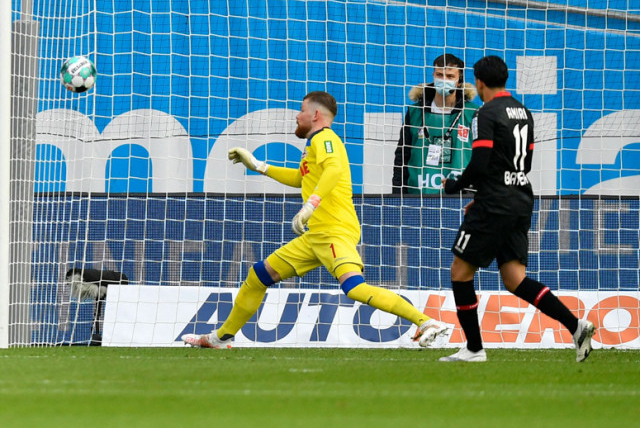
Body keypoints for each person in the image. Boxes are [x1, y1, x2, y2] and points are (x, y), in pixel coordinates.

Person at [182, 91, 451, 349]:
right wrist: (259, 166)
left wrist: (311, 205)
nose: (297, 116)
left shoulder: (325, 138)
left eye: (301, 110)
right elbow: (301, 179)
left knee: (355, 288)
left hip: (334, 231)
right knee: (259, 276)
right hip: (316, 236)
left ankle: (426, 322)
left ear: (316, 115)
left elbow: (333, 169)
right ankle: (221, 338)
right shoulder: (314, 144)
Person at [441, 56, 596, 362]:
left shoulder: (484, 114)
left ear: (479, 82)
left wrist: (454, 186)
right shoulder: (524, 112)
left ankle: (473, 349)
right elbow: (523, 161)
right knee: (514, 279)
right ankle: (576, 326)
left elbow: (481, 162)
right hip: (519, 200)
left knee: (460, 272)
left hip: (496, 203)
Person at [393, 53, 478, 195]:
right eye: (439, 75)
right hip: (417, 198)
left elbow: (481, 159)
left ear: (459, 79)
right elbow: (401, 157)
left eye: (450, 76)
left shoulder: (473, 113)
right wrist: (396, 196)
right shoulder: (415, 112)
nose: (444, 80)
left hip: (461, 198)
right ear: (433, 75)